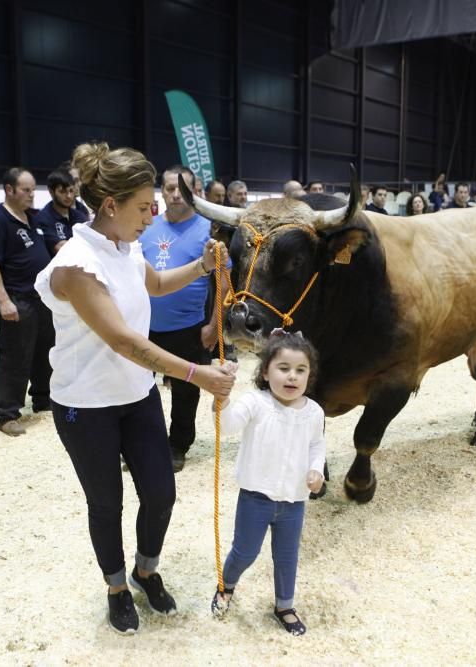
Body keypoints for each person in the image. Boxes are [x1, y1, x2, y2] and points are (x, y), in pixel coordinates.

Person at [34, 142, 235, 635]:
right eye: (145, 207)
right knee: (107, 503)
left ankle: (146, 570)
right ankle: (117, 586)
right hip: (87, 406)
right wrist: (196, 373)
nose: (154, 215)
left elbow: (158, 284)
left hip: (137, 395)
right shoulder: (76, 266)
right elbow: (123, 340)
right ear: (110, 206)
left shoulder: (128, 247)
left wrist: (204, 267)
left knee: (161, 493)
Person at [210, 332, 325, 636]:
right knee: (245, 551)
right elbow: (228, 426)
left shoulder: (314, 412)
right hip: (255, 498)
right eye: (283, 367)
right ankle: (226, 585)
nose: (292, 376)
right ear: (265, 372)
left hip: (294, 501)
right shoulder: (255, 403)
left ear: (309, 375)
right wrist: (220, 400)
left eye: (301, 370)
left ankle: (284, 605)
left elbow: (317, 446)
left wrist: (316, 470)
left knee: (287, 556)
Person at [139, 165, 215, 472]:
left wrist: (214, 326)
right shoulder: (147, 225)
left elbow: (223, 282)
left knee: (186, 389)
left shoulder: (209, 229)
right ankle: (145, 442)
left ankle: (178, 445)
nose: (175, 194)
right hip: (143, 325)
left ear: (195, 192)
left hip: (188, 326)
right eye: (170, 188)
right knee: (140, 388)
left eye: (183, 189)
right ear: (162, 191)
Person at [0, 167, 55, 436]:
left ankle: (43, 399)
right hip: (17, 298)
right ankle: (7, 413)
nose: (31, 195)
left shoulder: (33, 219)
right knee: (15, 356)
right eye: (26, 190)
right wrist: (3, 300)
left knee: (44, 350)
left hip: (41, 299)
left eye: (33, 190)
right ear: (9, 190)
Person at [35, 167, 87, 256]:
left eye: (71, 191)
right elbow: (59, 249)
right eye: (63, 192)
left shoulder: (80, 215)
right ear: (51, 191)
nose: (69, 196)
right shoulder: (43, 218)